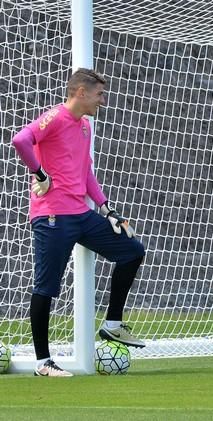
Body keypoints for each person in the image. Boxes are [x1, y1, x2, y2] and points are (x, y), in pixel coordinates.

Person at [11, 68, 146, 377]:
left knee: (132, 250)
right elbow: (20, 140)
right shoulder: (55, 117)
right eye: (99, 94)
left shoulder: (85, 126)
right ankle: (43, 363)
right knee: (46, 286)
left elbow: (85, 173)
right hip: (52, 216)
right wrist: (40, 173)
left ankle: (112, 325)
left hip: (82, 215)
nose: (103, 99)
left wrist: (108, 210)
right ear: (81, 93)